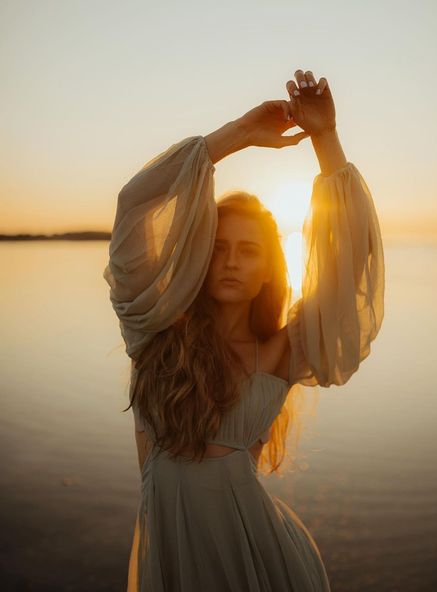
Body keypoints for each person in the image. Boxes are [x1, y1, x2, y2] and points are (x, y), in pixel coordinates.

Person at [103, 68, 385, 591]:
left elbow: (352, 258)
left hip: (259, 557)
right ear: (199, 260)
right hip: (173, 552)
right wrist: (237, 135)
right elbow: (135, 204)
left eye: (248, 250)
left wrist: (325, 137)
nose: (231, 262)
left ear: (268, 269)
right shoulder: (153, 332)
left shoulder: (282, 347)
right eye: (218, 248)